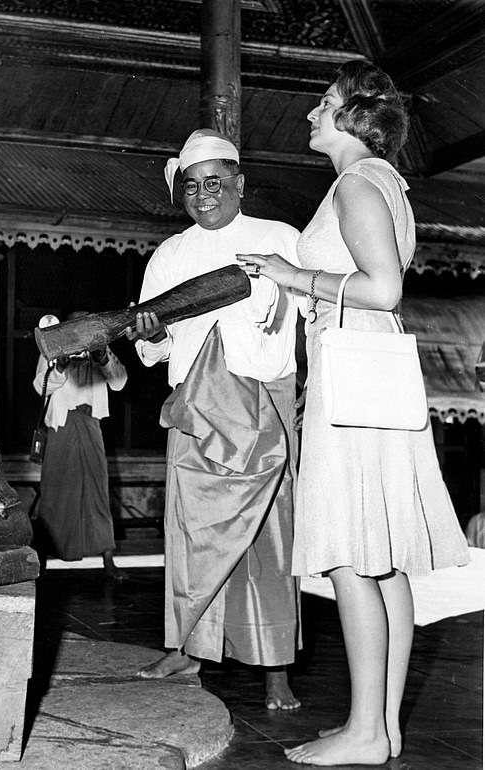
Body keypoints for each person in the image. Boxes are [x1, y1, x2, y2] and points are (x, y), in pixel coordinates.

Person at [237, 60, 470, 765]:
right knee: (382, 562)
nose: (311, 113)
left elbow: (384, 288)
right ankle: (384, 728)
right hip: (369, 371)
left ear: (353, 115)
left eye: (322, 102)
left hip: (356, 376)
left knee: (350, 557)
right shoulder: (382, 182)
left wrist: (290, 274)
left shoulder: (357, 181)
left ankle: (366, 731)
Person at [128, 128, 302, 710]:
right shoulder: (169, 255)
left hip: (261, 402)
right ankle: (187, 648)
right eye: (193, 187)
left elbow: (305, 314)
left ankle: (276, 668)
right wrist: (150, 333)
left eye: (216, 183)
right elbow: (151, 345)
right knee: (190, 536)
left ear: (239, 184)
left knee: (269, 540)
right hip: (194, 409)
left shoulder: (280, 240)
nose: (204, 196)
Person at [32, 312, 128, 581]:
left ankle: (108, 560)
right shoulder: (53, 345)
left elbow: (119, 382)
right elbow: (39, 386)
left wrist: (101, 357)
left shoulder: (100, 347)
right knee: (55, 492)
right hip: (61, 427)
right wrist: (60, 366)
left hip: (90, 424)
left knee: (97, 491)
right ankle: (44, 562)